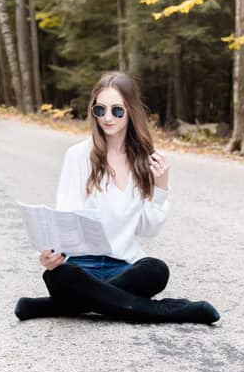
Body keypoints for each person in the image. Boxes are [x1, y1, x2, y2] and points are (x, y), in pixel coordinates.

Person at [14, 71, 220, 325]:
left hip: (122, 265)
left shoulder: (146, 160)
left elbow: (148, 229)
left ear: (131, 111)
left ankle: (62, 305)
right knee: (59, 277)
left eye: (117, 111)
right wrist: (49, 256)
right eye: (100, 110)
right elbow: (64, 217)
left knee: (156, 270)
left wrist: (161, 188)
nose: (107, 118)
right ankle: (168, 311)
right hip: (79, 268)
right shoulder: (78, 155)